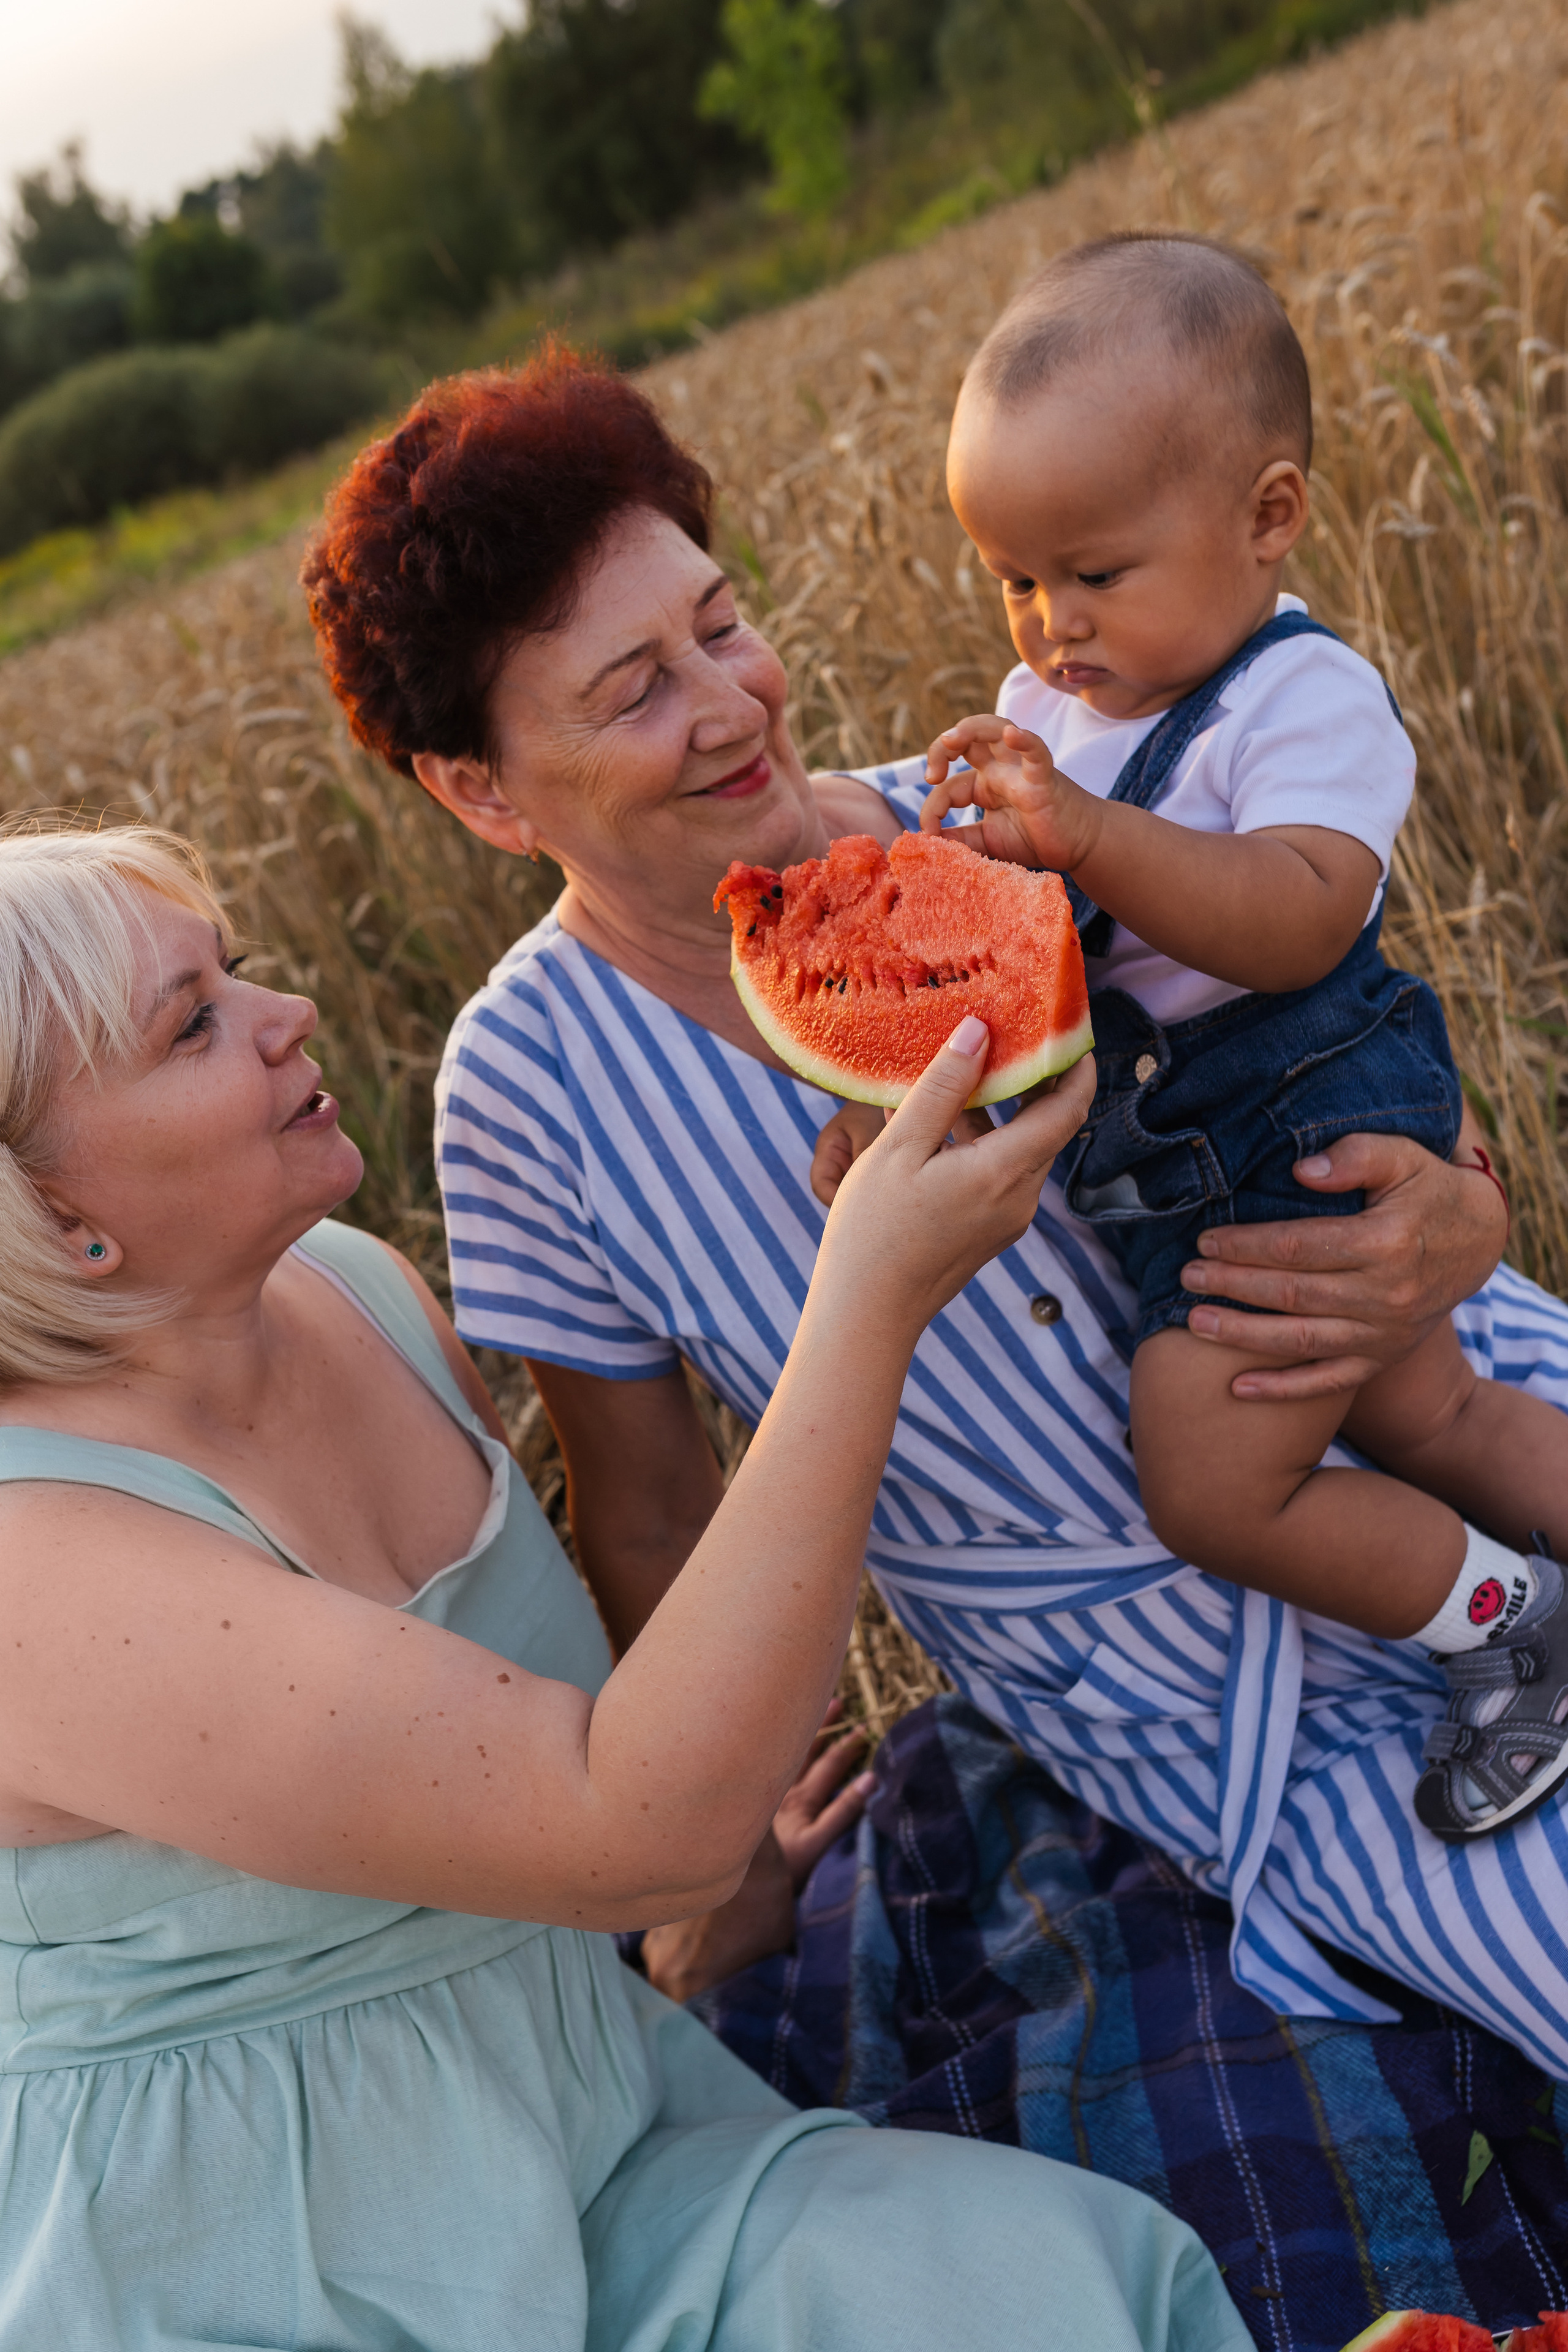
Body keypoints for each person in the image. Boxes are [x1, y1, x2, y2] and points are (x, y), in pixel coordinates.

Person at [300, 349, 1568, 2083]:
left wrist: (1466, 1216)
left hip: (1470, 1412)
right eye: (633, 690)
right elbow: (654, 1530)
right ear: (488, 794)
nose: (733, 703)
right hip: (1200, 1690)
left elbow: (1334, 1032)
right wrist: (720, 1878)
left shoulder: (1022, 811)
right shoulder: (527, 1094)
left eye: (720, 623)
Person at [0, 820, 1250, 2352]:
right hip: (274, 2260)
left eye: (236, 974)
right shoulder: (31, 1567)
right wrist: (865, 1292)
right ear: (50, 1216)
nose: (289, 1017)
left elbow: (532, 1772)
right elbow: (631, 1821)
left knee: (1076, 2283)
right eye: (193, 1025)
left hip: (594, 2113)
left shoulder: (354, 1290)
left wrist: (691, 1904)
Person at [830, 228, 1567, 1845]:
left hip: (1302, 1116)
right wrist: (906, 1072)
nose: (1049, 623)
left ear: (1268, 517)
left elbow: (1300, 913)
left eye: (1095, 573)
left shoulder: (1300, 700)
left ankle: (1517, 1623)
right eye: (1016, 579)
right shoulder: (1051, 717)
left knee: (1215, 1493)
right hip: (1181, 1152)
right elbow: (1026, 955)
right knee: (1428, 1413)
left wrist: (1083, 834)